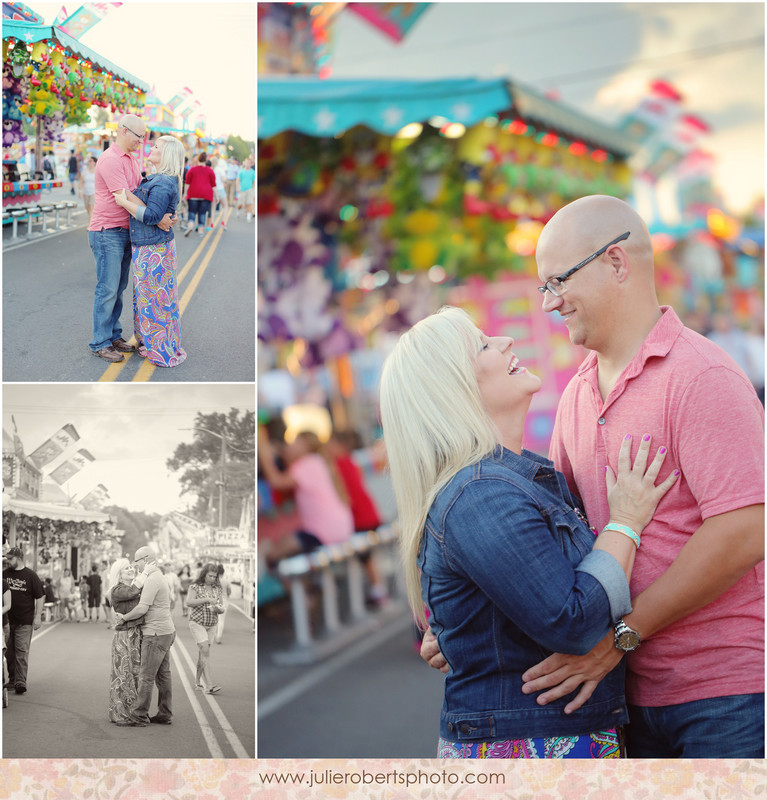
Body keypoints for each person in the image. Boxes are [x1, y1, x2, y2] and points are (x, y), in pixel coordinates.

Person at [424, 195, 765, 759]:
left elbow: (747, 529)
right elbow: (557, 544)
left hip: (721, 694)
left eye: (558, 281)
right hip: (622, 694)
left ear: (616, 263)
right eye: (543, 287)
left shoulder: (700, 375)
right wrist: (470, 621)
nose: (551, 302)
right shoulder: (578, 394)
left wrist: (622, 637)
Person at [380, 306, 677, 758]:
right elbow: (572, 621)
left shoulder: (506, 482)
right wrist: (626, 522)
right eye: (483, 345)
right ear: (452, 390)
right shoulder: (481, 494)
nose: (505, 343)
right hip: (530, 744)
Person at [88, 114, 175, 363]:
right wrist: (156, 218)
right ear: (124, 131)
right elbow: (124, 195)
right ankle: (100, 342)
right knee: (107, 289)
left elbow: (140, 192)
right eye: (140, 135)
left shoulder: (132, 159)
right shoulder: (110, 159)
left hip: (125, 230)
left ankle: (113, 335)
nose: (142, 140)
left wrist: (162, 210)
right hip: (107, 231)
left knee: (118, 288)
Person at [113, 135, 187, 368]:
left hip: (155, 248)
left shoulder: (163, 182)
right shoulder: (157, 178)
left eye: (156, 147)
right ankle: (153, 343)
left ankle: (162, 349)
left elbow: (152, 215)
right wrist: (126, 193)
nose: (151, 148)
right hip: (150, 246)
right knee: (148, 298)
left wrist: (124, 202)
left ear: (166, 155)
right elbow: (150, 209)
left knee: (156, 301)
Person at [257, 428, 354, 563]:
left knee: (272, 554)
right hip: (343, 526)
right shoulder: (317, 461)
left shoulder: (305, 464)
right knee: (288, 546)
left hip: (323, 532)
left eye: (294, 442)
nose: (288, 446)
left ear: (305, 445)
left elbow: (276, 482)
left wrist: (263, 452)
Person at [113, 546, 176, 726]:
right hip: (166, 630)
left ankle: (139, 715)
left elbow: (142, 608)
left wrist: (123, 618)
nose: (135, 564)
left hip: (155, 633)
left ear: (146, 559)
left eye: (137, 560)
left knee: (146, 676)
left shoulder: (152, 580)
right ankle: (165, 713)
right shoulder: (159, 576)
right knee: (163, 675)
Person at [326, 430, 389, 605]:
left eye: (331, 444)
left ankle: (378, 590)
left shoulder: (337, 464)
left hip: (361, 517)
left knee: (365, 557)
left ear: (341, 446)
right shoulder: (351, 461)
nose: (328, 448)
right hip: (369, 513)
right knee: (366, 557)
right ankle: (377, 589)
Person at [107, 556, 156, 726]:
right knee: (124, 675)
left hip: (135, 634)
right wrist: (145, 572)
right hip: (124, 636)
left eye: (130, 567)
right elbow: (133, 592)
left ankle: (134, 712)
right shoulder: (117, 590)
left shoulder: (132, 586)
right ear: (119, 575)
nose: (130, 569)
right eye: (126, 568)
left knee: (135, 674)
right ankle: (121, 714)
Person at [2, 547, 44, 695]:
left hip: (25, 620)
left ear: (19, 558)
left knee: (21, 651)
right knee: (9, 653)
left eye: (10, 558)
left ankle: (20, 681)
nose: (7, 561)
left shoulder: (30, 575)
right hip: (6, 621)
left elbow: (40, 596)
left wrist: (38, 616)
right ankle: (12, 680)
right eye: (7, 558)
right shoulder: (4, 575)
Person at [186, 563, 225, 693]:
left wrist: (218, 608)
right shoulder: (195, 586)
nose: (212, 579)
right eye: (210, 576)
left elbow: (221, 607)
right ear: (204, 574)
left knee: (203, 653)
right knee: (205, 650)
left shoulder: (218, 588)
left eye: (214, 576)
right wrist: (207, 599)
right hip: (197, 622)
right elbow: (189, 602)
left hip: (212, 624)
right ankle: (209, 686)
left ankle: (197, 681)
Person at [183, 152, 216, 237]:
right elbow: (213, 184)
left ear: (198, 159)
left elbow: (187, 183)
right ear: (206, 160)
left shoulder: (192, 170)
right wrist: (217, 195)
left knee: (192, 212)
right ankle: (201, 231)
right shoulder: (210, 170)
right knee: (202, 213)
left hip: (193, 194)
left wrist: (185, 194)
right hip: (206, 195)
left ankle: (190, 226)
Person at [214, 564, 231, 644]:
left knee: (214, 619)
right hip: (224, 602)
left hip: (214, 601)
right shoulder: (226, 581)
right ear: (223, 573)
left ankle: (213, 635)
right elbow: (229, 592)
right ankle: (218, 637)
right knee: (221, 620)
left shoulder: (213, 581)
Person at [210, 156, 228, 230]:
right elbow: (223, 179)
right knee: (225, 206)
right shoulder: (220, 170)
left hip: (212, 190)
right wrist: (225, 181)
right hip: (220, 189)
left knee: (213, 208)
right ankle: (223, 222)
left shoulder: (210, 170)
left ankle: (211, 223)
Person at [78, 155, 97, 221]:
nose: (89, 162)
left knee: (91, 207)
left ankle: (90, 224)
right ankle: (91, 219)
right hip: (85, 192)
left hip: (94, 192)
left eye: (91, 161)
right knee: (87, 207)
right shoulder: (84, 171)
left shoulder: (97, 171)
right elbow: (80, 181)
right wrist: (80, 191)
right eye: (89, 161)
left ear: (94, 162)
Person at [236, 157, 254, 221]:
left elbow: (254, 181)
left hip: (249, 189)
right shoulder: (241, 171)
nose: (248, 164)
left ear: (250, 164)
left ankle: (248, 217)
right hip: (242, 189)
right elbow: (238, 180)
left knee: (249, 203)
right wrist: (238, 188)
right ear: (244, 163)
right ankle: (238, 211)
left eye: (249, 163)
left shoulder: (252, 172)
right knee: (240, 204)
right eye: (246, 163)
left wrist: (253, 188)